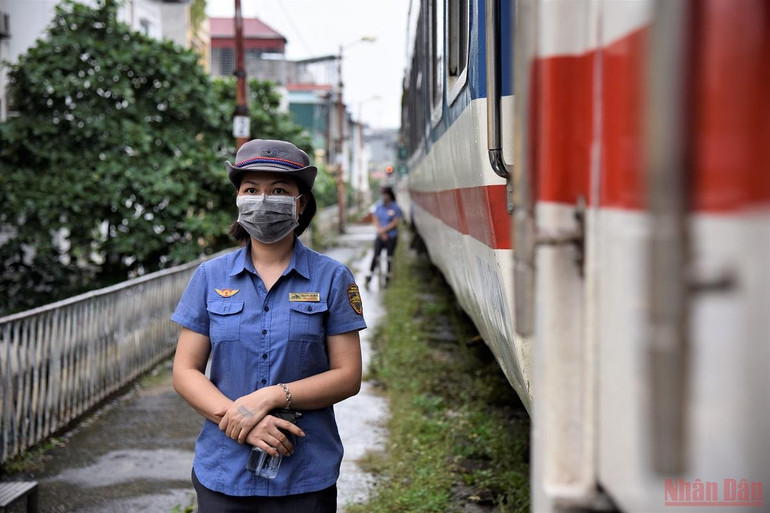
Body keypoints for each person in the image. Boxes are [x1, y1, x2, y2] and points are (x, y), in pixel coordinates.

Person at [171, 139, 366, 513]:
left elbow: (348, 375)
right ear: (238, 200)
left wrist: (272, 396)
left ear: (301, 202)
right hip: (223, 471)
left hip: (306, 474)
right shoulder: (209, 276)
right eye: (251, 190)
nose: (262, 200)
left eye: (278, 191)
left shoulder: (332, 278)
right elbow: (184, 371)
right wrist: (244, 422)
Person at [365, 186, 402, 289]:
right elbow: (375, 219)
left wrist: (384, 231)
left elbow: (395, 222)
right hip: (380, 236)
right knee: (376, 256)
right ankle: (369, 278)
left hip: (391, 236)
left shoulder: (395, 207)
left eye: (386, 194)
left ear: (390, 195)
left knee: (389, 257)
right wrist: (381, 232)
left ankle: (388, 280)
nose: (384, 196)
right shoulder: (379, 206)